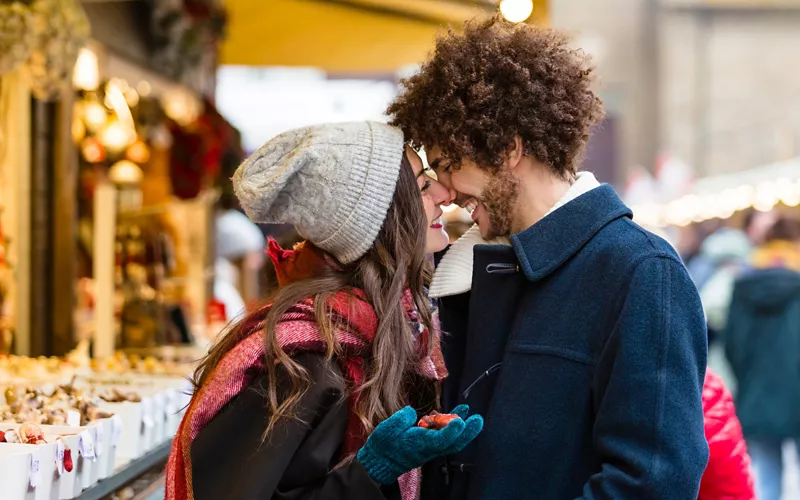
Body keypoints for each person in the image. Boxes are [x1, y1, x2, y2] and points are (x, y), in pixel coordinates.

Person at [387, 17, 709, 499]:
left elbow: (652, 483)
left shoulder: (641, 271)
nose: (447, 192)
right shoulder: (460, 271)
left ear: (508, 147)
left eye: (452, 165)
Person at [165, 121, 482, 500]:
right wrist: (371, 471)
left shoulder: (375, 331)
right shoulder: (302, 357)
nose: (446, 194)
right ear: (377, 218)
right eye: (423, 185)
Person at [724, 217, 800, 500]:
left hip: (757, 391)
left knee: (766, 475)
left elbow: (733, 343)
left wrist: (747, 375)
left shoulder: (744, 284)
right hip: (796, 390)